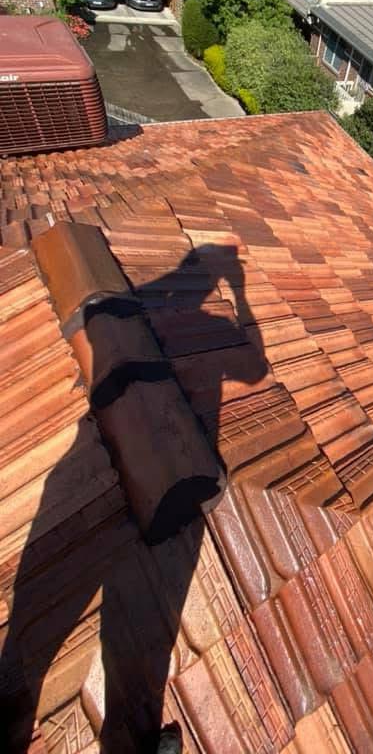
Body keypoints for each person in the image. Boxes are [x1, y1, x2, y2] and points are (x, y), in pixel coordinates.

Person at [0, 244, 267, 752]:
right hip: (142, 476)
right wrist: (241, 295)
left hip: (90, 458)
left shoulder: (129, 305)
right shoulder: (197, 316)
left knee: (30, 628)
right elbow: (253, 368)